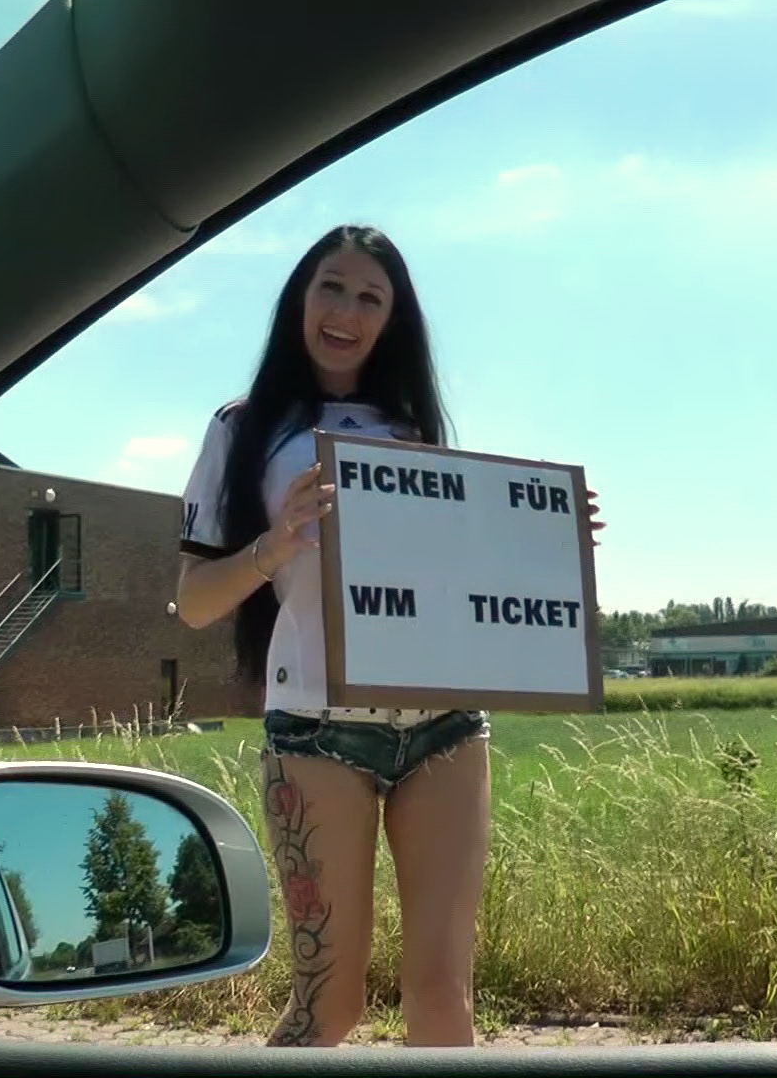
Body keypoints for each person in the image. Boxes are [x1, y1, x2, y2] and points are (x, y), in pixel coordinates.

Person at [173, 224, 601, 1047]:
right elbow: (192, 602)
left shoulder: (415, 431)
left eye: (371, 297)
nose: (347, 312)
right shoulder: (241, 427)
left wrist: (549, 533)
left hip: (446, 729)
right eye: (332, 288)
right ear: (300, 298)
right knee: (327, 1008)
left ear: (393, 318)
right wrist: (273, 545)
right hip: (316, 732)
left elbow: (461, 578)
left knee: (442, 1002)